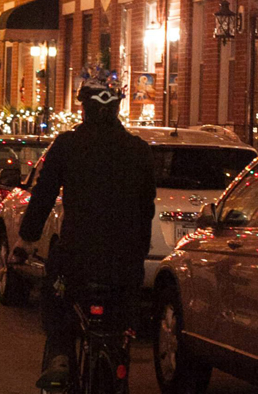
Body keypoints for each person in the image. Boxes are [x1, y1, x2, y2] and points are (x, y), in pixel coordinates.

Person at [10, 68, 156, 391]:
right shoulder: (139, 151)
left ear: (83, 109)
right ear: (116, 109)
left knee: (56, 298)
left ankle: (60, 356)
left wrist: (26, 240)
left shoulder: (68, 145)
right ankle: (119, 358)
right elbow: (146, 208)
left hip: (78, 256)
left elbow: (43, 196)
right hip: (123, 262)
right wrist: (138, 253)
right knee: (121, 321)